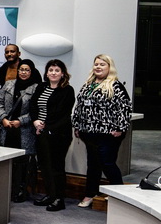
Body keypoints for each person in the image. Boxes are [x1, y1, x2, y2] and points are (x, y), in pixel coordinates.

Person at [73, 54, 132, 208]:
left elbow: (125, 109)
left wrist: (120, 128)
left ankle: (119, 195)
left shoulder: (115, 85)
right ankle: (90, 193)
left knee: (107, 163)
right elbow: (79, 107)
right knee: (93, 165)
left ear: (109, 67)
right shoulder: (88, 84)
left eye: (102, 64)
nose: (98, 67)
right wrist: (77, 125)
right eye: (96, 64)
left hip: (108, 134)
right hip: (88, 133)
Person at [29, 59, 75, 212]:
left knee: (56, 166)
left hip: (58, 134)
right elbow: (33, 105)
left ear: (62, 74)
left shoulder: (67, 90)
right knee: (44, 165)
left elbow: (62, 114)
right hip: (40, 132)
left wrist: (46, 127)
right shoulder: (41, 87)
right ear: (46, 73)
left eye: (57, 70)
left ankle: (59, 199)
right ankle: (50, 195)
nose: (53, 73)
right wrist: (35, 122)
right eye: (51, 70)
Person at [0, 59, 41, 202]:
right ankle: (7, 188)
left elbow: (36, 110)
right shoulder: (8, 84)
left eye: (27, 70)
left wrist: (21, 121)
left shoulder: (36, 88)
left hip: (24, 131)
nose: (23, 72)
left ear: (31, 72)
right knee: (7, 161)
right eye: (21, 69)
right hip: (7, 129)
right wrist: (3, 118)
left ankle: (21, 190)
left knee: (23, 162)